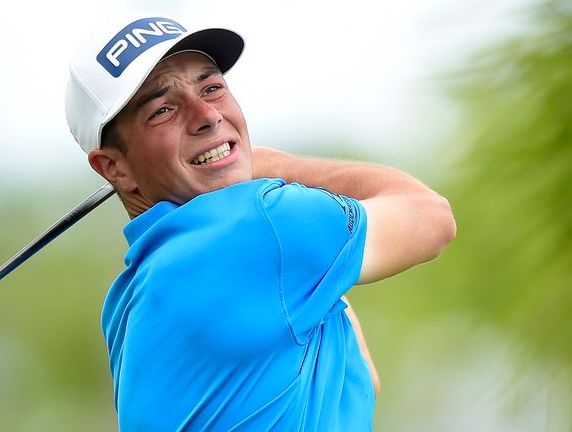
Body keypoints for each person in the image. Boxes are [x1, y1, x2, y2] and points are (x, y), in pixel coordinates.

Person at [64, 14, 456, 432]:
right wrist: (276, 167)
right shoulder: (260, 223)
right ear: (114, 168)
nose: (207, 115)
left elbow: (359, 380)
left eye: (211, 88)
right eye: (162, 110)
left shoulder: (127, 297)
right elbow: (431, 216)